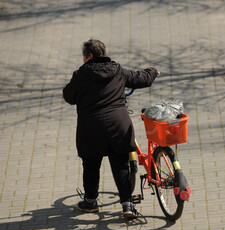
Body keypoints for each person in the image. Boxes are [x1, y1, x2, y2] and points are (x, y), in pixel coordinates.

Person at [62, 39, 159, 219]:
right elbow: (141, 79)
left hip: (91, 127)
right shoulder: (118, 71)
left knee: (91, 163)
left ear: (89, 56)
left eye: (84, 56)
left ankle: (90, 202)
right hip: (118, 125)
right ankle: (127, 205)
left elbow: (69, 96)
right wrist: (152, 71)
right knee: (121, 163)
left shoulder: (80, 75)